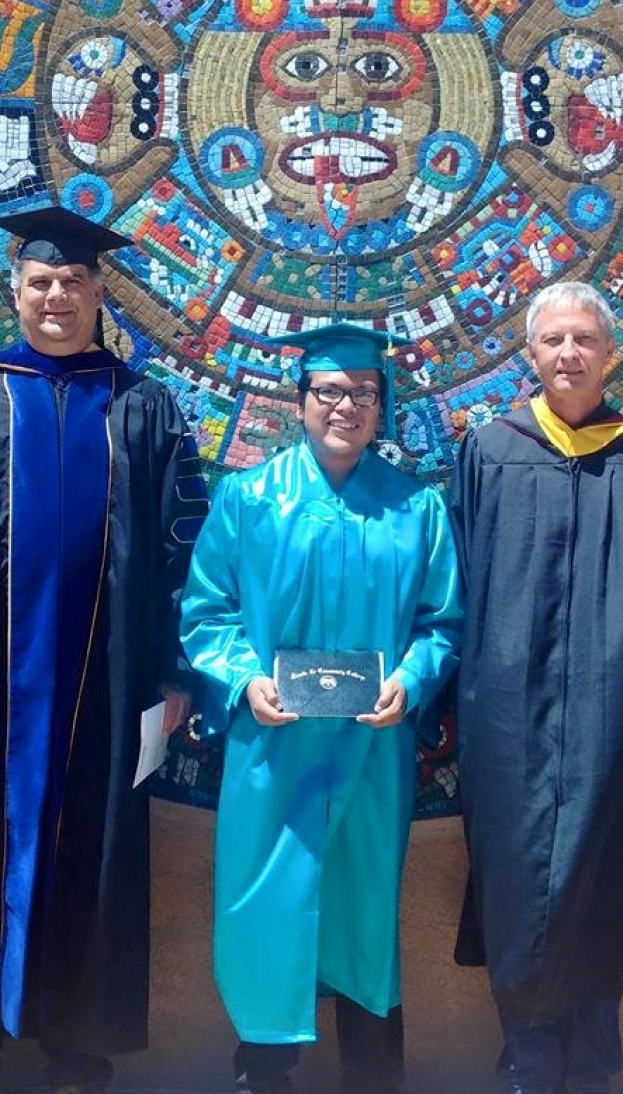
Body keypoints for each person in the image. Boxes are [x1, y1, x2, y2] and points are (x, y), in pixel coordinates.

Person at [0, 205, 208, 1094]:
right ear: (17, 291)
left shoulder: (143, 407)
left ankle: (78, 1052)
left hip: (108, 679)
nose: (56, 296)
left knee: (94, 849)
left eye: (73, 282)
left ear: (100, 294)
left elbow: (187, 549)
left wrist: (176, 671)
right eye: (40, 282)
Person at [181, 323, 462, 1094]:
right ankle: (263, 1074)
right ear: (300, 400)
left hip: (374, 752)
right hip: (275, 751)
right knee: (269, 910)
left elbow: (443, 623)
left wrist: (412, 676)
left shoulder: (416, 510)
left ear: (382, 406)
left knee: (365, 917)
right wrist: (245, 680)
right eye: (330, 391)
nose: (345, 406)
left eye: (362, 394)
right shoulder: (250, 500)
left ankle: (373, 1079)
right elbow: (208, 614)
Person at [450, 281, 623, 1094]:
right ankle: (526, 1057)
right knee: (517, 877)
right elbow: (457, 578)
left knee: (602, 873)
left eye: (584, 340)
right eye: (553, 340)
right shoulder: (491, 449)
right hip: (507, 715)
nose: (568, 354)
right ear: (530, 354)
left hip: (615, 714)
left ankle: (592, 1061)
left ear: (608, 352)